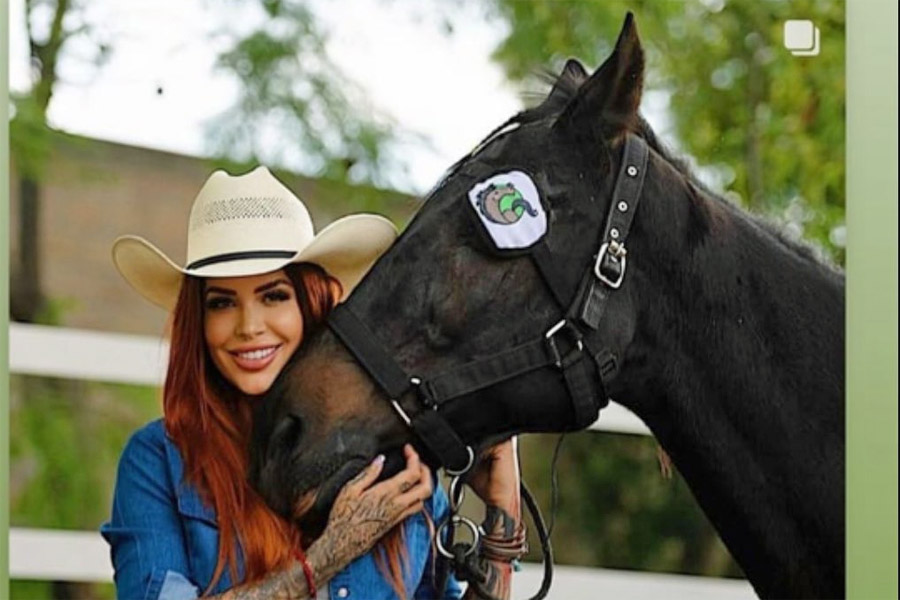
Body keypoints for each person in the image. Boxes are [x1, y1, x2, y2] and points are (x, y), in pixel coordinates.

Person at [101, 166, 525, 599]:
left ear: (312, 305)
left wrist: (502, 513)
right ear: (200, 324)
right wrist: (327, 557)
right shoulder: (158, 461)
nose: (249, 326)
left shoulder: (399, 461)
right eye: (222, 303)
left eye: (274, 296)